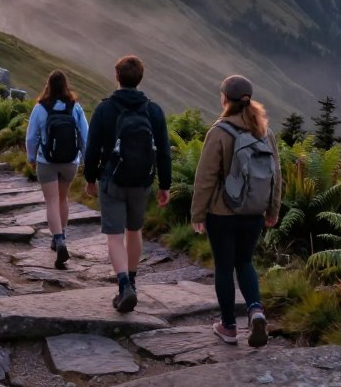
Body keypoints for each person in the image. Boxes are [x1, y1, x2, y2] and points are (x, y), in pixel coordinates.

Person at [190, 75, 282, 348]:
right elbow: (277, 175)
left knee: (224, 267)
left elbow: (205, 178)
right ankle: (255, 310)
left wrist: (197, 214)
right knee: (245, 262)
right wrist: (272, 209)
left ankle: (228, 326)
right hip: (253, 211)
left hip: (222, 212)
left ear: (225, 99)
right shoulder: (265, 133)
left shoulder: (220, 132)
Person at [85, 55, 171, 313]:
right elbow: (164, 151)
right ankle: (132, 280)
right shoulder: (153, 110)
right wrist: (165, 185)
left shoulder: (105, 109)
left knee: (114, 234)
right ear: (140, 78)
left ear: (117, 77)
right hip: (142, 180)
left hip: (112, 179)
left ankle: (123, 285)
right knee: (134, 230)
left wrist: (90, 178)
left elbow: (92, 149)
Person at [26, 70, 88, 270]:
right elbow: (85, 136)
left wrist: (31, 158)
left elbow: (31, 137)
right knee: (63, 199)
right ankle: (63, 236)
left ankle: (58, 239)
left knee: (51, 201)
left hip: (47, 161)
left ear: (49, 85)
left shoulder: (40, 108)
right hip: (70, 161)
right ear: (66, 86)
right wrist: (85, 159)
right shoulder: (75, 107)